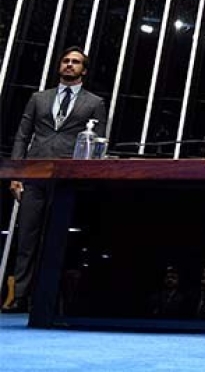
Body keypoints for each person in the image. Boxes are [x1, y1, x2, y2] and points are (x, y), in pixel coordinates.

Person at [5, 46, 107, 314]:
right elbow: (22, 136)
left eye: (75, 62)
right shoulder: (39, 98)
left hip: (68, 179)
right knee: (26, 237)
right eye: (65, 61)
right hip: (35, 175)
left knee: (58, 239)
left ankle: (50, 299)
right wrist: (16, 175)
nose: (69, 65)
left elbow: (98, 142)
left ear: (84, 70)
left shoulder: (94, 102)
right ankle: (20, 296)